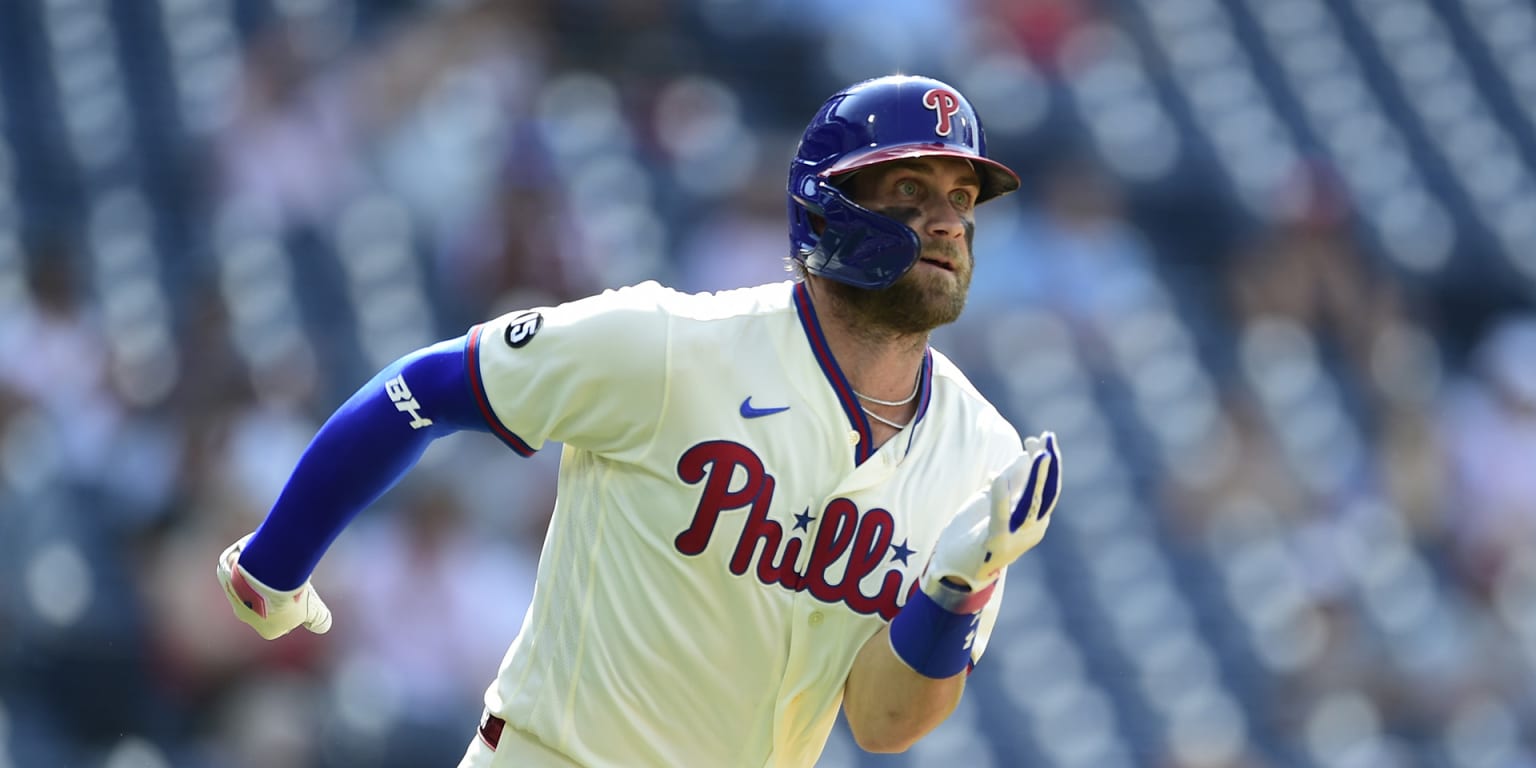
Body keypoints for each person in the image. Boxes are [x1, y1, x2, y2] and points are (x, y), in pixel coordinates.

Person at [215, 74, 1063, 767]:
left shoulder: (981, 456)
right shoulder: (671, 346)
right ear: (830, 205)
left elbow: (883, 724)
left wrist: (955, 590)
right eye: (911, 190)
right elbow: (429, 385)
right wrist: (276, 562)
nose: (950, 219)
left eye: (963, 195)